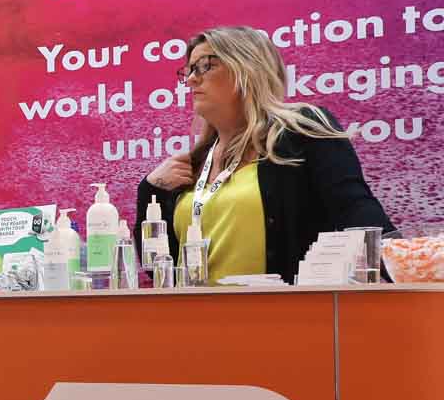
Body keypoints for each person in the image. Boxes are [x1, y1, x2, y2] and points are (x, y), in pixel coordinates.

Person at [137, 27, 395, 281]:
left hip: (278, 307)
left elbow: (354, 208)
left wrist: (401, 264)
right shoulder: (193, 164)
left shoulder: (299, 129)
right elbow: (158, 269)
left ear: (248, 68)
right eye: (190, 70)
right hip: (193, 309)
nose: (192, 79)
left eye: (206, 66)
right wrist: (150, 189)